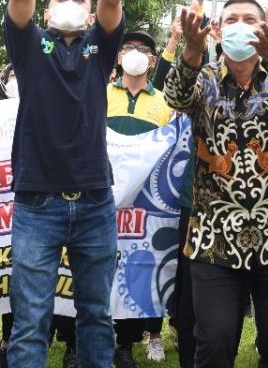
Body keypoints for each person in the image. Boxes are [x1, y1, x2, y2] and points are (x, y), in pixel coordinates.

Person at [3, 0, 127, 368]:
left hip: (95, 200)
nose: (72, 3)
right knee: (30, 317)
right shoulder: (30, 45)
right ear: (47, 10)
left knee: (96, 315)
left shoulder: (101, 50)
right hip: (37, 202)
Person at [164, 0, 268, 368]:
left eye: (250, 18)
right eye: (231, 19)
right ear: (216, 30)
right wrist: (192, 53)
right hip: (214, 238)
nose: (240, 25)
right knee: (213, 343)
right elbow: (175, 95)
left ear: (263, 28)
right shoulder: (203, 80)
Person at [108, 30, 173, 368]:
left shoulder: (163, 102)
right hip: (103, 197)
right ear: (118, 56)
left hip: (146, 204)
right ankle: (94, 338)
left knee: (138, 268)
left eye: (143, 49)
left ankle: (126, 344)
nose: (135, 53)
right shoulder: (101, 94)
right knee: (101, 268)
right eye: (128, 47)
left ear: (152, 59)